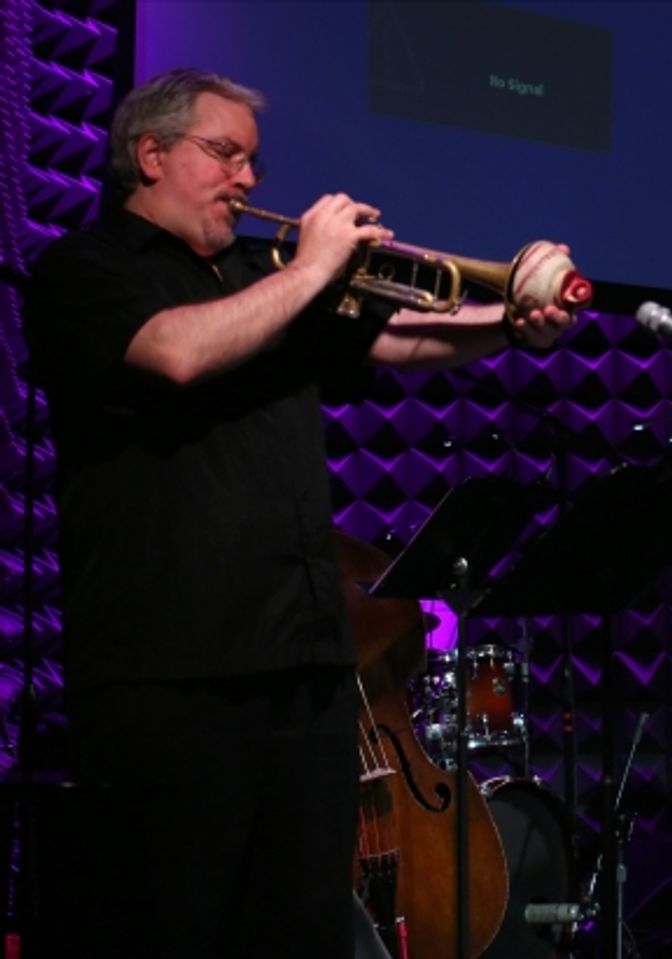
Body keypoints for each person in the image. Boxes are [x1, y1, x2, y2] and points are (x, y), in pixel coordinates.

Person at [22, 68, 579, 959]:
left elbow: (399, 338)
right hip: (170, 676)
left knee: (298, 932)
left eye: (253, 160)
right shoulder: (85, 269)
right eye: (224, 154)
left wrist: (511, 321)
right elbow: (175, 354)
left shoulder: (259, 271)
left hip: (305, 670)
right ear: (151, 154)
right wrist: (316, 267)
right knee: (174, 929)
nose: (247, 179)